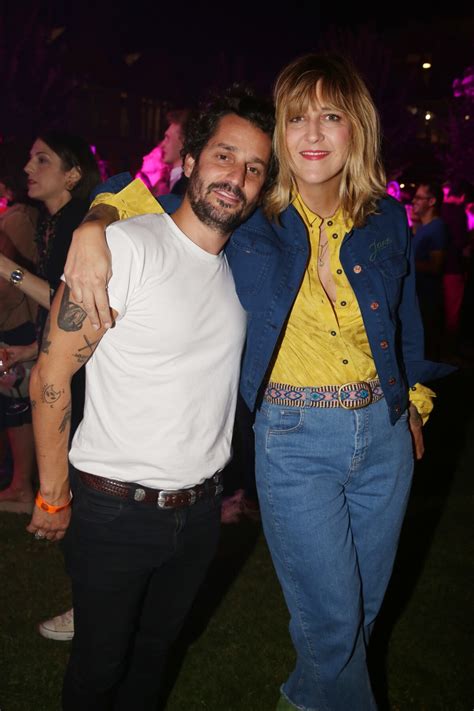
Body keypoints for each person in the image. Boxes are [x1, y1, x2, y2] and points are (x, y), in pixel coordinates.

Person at [63, 55, 453, 711]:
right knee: (332, 621)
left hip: (385, 439)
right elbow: (140, 191)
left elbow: (406, 319)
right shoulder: (254, 216)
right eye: (297, 117)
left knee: (356, 616)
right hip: (295, 440)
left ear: (356, 127)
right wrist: (94, 220)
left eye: (331, 116)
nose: (313, 134)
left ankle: (305, 698)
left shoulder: (387, 219)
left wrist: (411, 400)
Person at [26, 88, 274, 710]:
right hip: (116, 511)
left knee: (155, 657)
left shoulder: (240, 268)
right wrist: (52, 495)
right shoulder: (126, 247)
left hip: (200, 514)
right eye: (224, 156)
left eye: (254, 167)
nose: (236, 177)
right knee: (99, 669)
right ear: (189, 162)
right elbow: (52, 374)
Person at [0, 148, 38, 512]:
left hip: (18, 326)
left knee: (17, 406)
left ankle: (22, 486)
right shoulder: (14, 217)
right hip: (16, 325)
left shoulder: (17, 220)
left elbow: (14, 282)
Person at [411, 180, 450, 358]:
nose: (414, 201)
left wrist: (405, 262)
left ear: (432, 201)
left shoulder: (437, 227)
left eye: (419, 198)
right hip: (419, 298)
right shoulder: (424, 227)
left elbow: (436, 266)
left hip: (428, 300)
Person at [162, 109, 190, 194]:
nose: (163, 144)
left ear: (183, 141)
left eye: (167, 138)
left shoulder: (186, 186)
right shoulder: (168, 180)